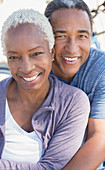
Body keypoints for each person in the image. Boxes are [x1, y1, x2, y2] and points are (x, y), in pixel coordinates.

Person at [0, 8, 90, 170]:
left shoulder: (72, 103)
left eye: (36, 53)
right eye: (14, 57)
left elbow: (51, 168)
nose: (27, 67)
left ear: (51, 52)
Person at [44, 0, 105, 169]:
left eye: (82, 36)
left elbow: (99, 138)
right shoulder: (36, 68)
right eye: (61, 36)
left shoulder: (101, 69)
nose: (72, 48)